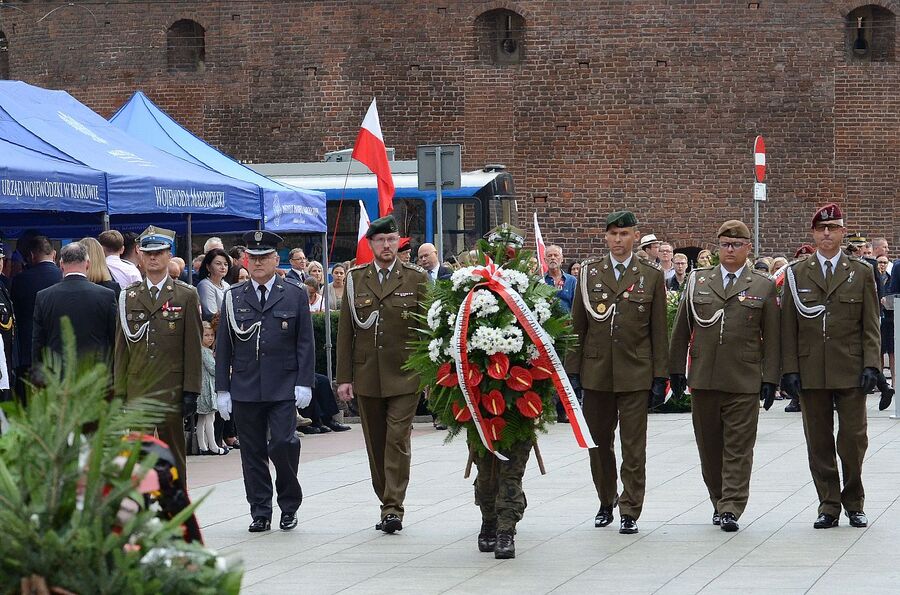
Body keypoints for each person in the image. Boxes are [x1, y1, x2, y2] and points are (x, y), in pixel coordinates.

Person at [669, 220, 779, 532]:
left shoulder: (762, 285)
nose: (730, 250)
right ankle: (718, 500)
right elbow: (681, 329)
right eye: (725, 245)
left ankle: (732, 506)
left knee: (739, 448)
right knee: (709, 447)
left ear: (748, 248)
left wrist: (771, 378)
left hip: (743, 379)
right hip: (704, 378)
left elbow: (772, 337)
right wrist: (676, 370)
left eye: (736, 245)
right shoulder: (698, 280)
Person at [566, 210, 668, 535]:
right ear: (606, 237)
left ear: (636, 236)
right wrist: (573, 369)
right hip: (596, 371)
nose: (618, 240)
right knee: (598, 443)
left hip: (636, 371)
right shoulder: (589, 273)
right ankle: (605, 499)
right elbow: (577, 325)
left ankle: (630, 508)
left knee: (634, 446)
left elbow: (658, 332)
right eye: (613, 234)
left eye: (624, 234)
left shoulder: (650, 276)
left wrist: (660, 375)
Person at [781, 203, 880, 530]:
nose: (827, 234)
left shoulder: (862, 272)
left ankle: (854, 500)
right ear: (813, 233)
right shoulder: (796, 274)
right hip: (811, 370)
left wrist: (872, 364)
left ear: (841, 233)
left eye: (833, 228)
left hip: (850, 368)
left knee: (853, 440)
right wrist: (789, 369)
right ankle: (828, 504)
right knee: (818, 441)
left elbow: (870, 324)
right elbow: (788, 327)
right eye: (821, 229)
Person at [215, 230, 315, 533]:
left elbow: (305, 342)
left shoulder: (295, 293)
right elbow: (224, 345)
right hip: (245, 386)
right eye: (253, 258)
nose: (257, 263)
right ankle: (260, 510)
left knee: (284, 444)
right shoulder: (234, 296)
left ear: (275, 259)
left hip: (283, 385)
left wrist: (305, 382)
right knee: (252, 452)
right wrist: (222, 389)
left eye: (263, 258)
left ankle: (289, 504)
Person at [336, 215, 429, 534]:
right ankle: (385, 498)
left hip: (405, 373)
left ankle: (393, 507)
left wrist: (429, 374)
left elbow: (426, 329)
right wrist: (343, 377)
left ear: (398, 242)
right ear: (371, 244)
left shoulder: (416, 278)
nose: (387, 246)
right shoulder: (355, 278)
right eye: (380, 241)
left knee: (397, 438)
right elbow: (346, 332)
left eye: (392, 240)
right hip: (367, 374)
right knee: (375, 443)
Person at [114, 226, 203, 484]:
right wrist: (119, 391)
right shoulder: (128, 296)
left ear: (168, 255)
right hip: (138, 387)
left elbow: (193, 347)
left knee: (173, 454)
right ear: (140, 256)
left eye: (160, 252)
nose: (154, 258)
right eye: (148, 253)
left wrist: (191, 390)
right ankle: (140, 509)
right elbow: (121, 349)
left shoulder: (186, 295)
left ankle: (175, 510)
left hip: (171, 388)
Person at [32, 242, 117, 368]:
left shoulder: (44, 297)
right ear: (88, 263)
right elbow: (114, 339)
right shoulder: (106, 296)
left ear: (61, 264)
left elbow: (38, 343)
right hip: (96, 376)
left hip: (58, 378)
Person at [11, 235, 61, 395]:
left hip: (28, 350)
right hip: (57, 349)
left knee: (27, 403)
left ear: (32, 255)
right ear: (54, 254)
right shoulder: (63, 277)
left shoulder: (20, 280)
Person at [197, 321, 227, 456]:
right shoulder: (205, 352)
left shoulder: (203, 351)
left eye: (212, 335)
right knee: (210, 418)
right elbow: (213, 369)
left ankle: (202, 445)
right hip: (207, 389)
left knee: (202, 419)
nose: (210, 338)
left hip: (203, 388)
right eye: (206, 335)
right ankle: (213, 446)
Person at [196, 248, 232, 322]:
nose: (223, 267)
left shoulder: (227, 285)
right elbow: (211, 313)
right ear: (208, 267)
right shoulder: (205, 285)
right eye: (218, 264)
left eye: (226, 264)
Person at [543, 244, 577, 312]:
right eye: (549, 255)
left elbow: (576, 305)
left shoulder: (572, 281)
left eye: (556, 255)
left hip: (566, 320)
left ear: (562, 259)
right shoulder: (540, 280)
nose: (552, 258)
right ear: (545, 260)